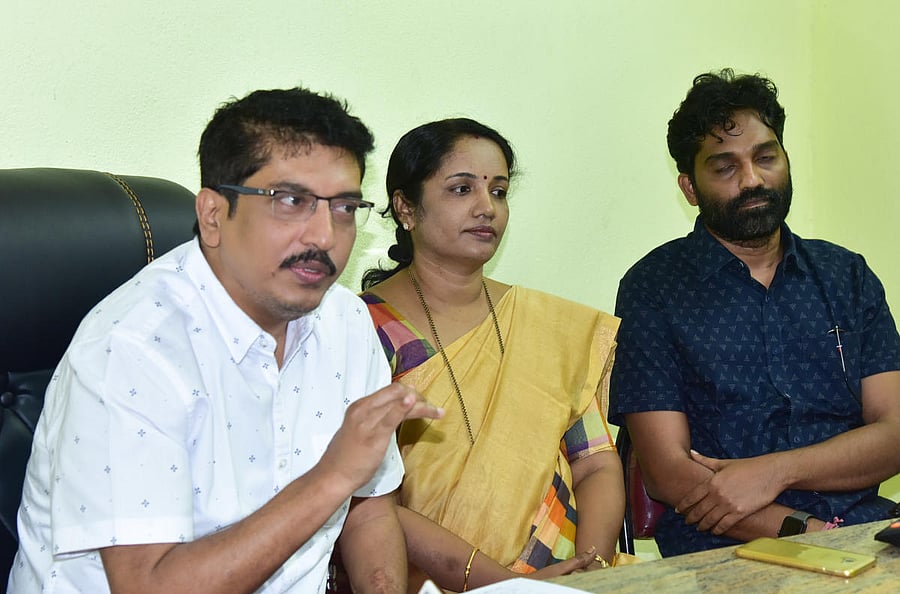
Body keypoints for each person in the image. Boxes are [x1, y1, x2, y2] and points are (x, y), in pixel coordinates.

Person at [8, 87, 442, 593]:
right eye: (291, 201)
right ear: (214, 215)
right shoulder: (132, 348)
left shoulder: (344, 321)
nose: (325, 236)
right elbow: (150, 588)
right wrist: (331, 477)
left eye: (344, 207)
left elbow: (370, 511)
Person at [609, 68, 900, 557]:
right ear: (689, 187)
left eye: (766, 158)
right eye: (725, 167)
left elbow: (894, 432)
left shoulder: (846, 275)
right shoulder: (654, 288)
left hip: (868, 534)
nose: (752, 180)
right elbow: (667, 472)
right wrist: (806, 536)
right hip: (725, 552)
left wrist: (774, 470)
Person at [359, 118, 624, 591]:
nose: (487, 208)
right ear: (406, 208)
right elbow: (371, 504)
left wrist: (593, 573)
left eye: (498, 192)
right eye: (462, 190)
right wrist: (509, 587)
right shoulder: (363, 329)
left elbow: (596, 462)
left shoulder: (543, 322)